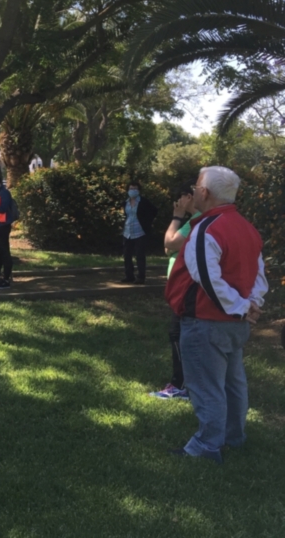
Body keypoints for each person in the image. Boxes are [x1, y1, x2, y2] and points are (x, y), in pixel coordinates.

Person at [166, 166, 267, 463]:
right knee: (233, 383)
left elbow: (207, 279)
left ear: (205, 192)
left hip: (206, 321)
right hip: (235, 323)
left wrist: (241, 307)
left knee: (206, 385)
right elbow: (258, 273)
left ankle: (207, 445)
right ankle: (233, 435)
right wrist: (251, 304)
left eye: (196, 187)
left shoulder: (206, 229)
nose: (194, 192)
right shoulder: (246, 227)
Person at [149, 181, 201, 400]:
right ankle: (185, 384)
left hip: (186, 289)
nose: (177, 202)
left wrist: (177, 217)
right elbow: (168, 246)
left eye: (181, 197)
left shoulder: (196, 221)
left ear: (189, 197)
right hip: (180, 288)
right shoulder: (193, 221)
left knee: (178, 334)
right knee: (178, 334)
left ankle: (181, 385)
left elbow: (169, 243)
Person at [120, 180, 157, 284]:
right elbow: (127, 215)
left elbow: (154, 211)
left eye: (135, 188)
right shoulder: (126, 202)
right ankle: (129, 276)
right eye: (131, 188)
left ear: (139, 190)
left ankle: (141, 277)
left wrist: (146, 222)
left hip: (140, 232)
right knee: (127, 255)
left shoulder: (143, 202)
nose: (133, 190)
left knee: (140, 255)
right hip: (127, 231)